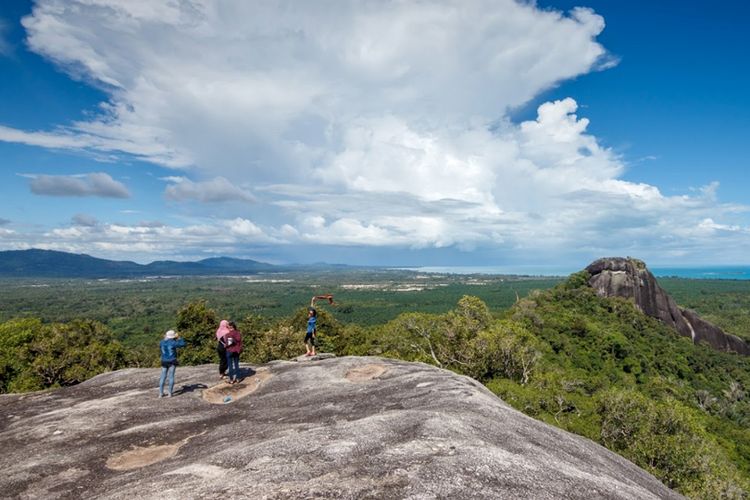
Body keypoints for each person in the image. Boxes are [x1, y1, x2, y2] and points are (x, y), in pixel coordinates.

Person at [158, 329, 186, 398]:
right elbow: (183, 344)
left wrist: (166, 338)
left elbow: (162, 343)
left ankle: (161, 393)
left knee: (163, 376)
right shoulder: (173, 343)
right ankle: (170, 393)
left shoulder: (161, 342)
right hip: (172, 361)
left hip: (164, 361)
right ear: (173, 336)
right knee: (171, 376)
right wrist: (179, 338)